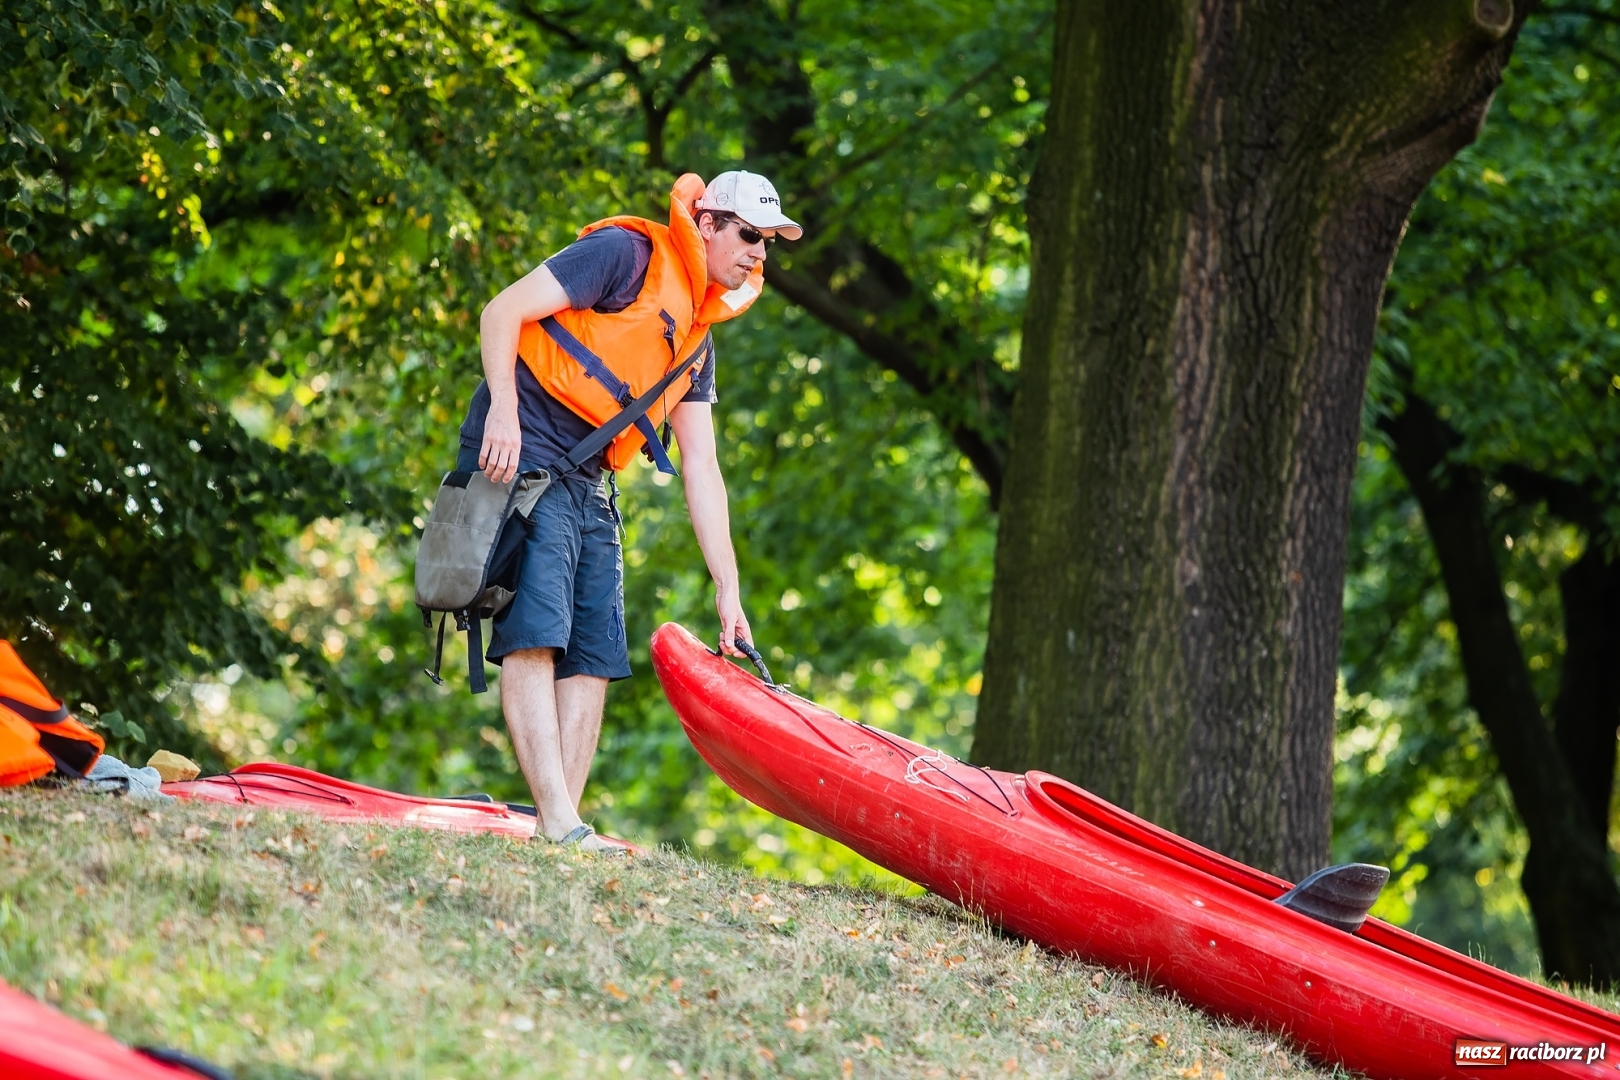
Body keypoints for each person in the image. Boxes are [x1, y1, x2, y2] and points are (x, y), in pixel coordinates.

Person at [456, 170, 803, 852]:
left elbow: (703, 465)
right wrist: (500, 407)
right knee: (535, 631)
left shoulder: (696, 340)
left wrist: (728, 590)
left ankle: (562, 827)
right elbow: (500, 311)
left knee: (593, 650)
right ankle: (557, 821)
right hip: (525, 445)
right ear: (706, 223)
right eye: (750, 235)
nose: (760, 254)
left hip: (589, 476)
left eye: (769, 243)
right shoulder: (623, 255)